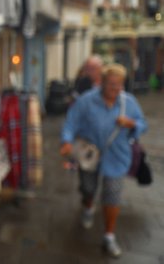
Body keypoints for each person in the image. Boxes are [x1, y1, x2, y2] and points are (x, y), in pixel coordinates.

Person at [60, 63, 148, 258]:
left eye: (119, 85)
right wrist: (66, 141)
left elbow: (143, 124)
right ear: (102, 83)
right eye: (111, 85)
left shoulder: (129, 102)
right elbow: (71, 122)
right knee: (88, 188)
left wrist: (131, 123)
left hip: (116, 156)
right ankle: (88, 206)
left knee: (112, 195)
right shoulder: (86, 101)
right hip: (89, 154)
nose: (115, 90)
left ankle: (109, 236)